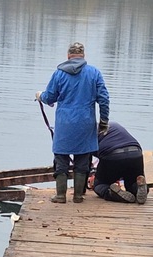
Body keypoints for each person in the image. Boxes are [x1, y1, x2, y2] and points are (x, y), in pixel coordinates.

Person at [36, 42, 110, 204]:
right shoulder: (94, 73)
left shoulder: (59, 74)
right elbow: (104, 99)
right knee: (82, 159)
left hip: (64, 123)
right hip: (85, 122)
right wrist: (104, 121)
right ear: (83, 56)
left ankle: (60, 196)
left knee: (61, 157)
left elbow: (50, 97)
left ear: (68, 56)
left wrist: (40, 96)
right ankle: (78, 196)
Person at [93, 121, 147, 204]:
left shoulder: (89, 134)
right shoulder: (114, 125)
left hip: (113, 155)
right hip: (135, 153)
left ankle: (112, 193)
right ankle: (138, 187)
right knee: (132, 182)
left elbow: (85, 160)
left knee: (100, 185)